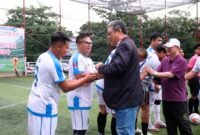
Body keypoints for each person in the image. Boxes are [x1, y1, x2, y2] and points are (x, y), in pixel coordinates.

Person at [27, 32, 96, 135]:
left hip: (35, 102)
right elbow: (65, 87)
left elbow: (63, 82)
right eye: (66, 47)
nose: (67, 50)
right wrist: (85, 79)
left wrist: (84, 78)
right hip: (45, 106)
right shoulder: (53, 62)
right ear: (59, 46)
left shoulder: (43, 56)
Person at [95, 20, 143, 135]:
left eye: (109, 33)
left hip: (125, 98)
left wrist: (101, 67)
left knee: (124, 132)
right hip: (128, 97)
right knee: (126, 131)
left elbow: (117, 67)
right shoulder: (129, 43)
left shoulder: (125, 45)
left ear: (119, 31)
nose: (108, 36)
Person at [146, 38, 193, 135]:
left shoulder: (182, 61)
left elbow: (171, 74)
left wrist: (154, 73)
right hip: (166, 99)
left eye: (170, 47)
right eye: (167, 47)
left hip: (178, 100)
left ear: (177, 47)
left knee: (184, 127)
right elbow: (158, 75)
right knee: (171, 128)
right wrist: (154, 78)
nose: (168, 48)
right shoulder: (165, 61)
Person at [67, 33, 97, 135]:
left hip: (85, 98)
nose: (89, 45)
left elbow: (92, 74)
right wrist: (97, 75)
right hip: (78, 99)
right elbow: (80, 77)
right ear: (78, 44)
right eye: (86, 43)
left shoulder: (88, 59)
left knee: (81, 128)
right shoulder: (77, 57)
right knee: (80, 129)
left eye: (90, 43)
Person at [146, 32, 166, 132]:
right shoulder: (148, 53)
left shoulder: (159, 51)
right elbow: (148, 69)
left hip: (158, 78)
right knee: (149, 103)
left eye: (161, 41)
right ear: (152, 41)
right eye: (158, 40)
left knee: (158, 100)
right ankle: (148, 123)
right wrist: (155, 83)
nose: (160, 42)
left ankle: (157, 120)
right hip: (150, 82)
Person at [96, 47, 117, 135]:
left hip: (99, 84)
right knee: (115, 115)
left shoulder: (114, 51)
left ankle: (101, 133)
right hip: (108, 86)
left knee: (102, 111)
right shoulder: (122, 52)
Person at [136, 48, 152, 135]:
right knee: (143, 109)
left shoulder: (146, 65)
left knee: (144, 109)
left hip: (142, 89)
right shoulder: (139, 63)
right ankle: (139, 131)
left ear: (139, 56)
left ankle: (143, 131)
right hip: (140, 89)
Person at [187, 44, 200, 114]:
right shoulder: (194, 58)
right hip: (193, 78)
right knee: (194, 96)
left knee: (196, 95)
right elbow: (188, 69)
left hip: (197, 78)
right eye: (198, 49)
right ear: (195, 50)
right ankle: (190, 111)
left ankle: (196, 110)